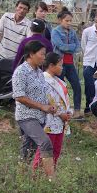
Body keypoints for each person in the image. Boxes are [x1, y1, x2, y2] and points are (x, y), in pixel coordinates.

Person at [12, 41, 56, 178]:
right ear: (31, 54)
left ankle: (20, 179)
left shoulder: (39, 73)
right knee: (45, 143)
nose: (44, 58)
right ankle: (52, 179)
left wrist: (49, 105)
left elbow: (42, 93)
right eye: (42, 54)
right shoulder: (21, 72)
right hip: (27, 116)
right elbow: (19, 96)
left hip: (40, 117)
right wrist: (42, 106)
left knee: (28, 151)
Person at [33, 52, 71, 170]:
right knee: (45, 151)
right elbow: (50, 100)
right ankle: (36, 175)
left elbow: (63, 99)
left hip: (59, 122)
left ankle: (49, 175)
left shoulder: (57, 80)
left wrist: (68, 112)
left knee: (55, 151)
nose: (62, 68)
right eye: (60, 65)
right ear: (51, 65)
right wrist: (61, 114)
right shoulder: (44, 80)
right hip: (49, 121)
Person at [51, 8, 83, 119]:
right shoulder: (55, 32)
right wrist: (71, 48)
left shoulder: (73, 32)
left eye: (70, 21)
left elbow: (78, 47)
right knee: (60, 88)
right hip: (59, 64)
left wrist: (69, 48)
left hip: (70, 63)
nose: (69, 23)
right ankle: (61, 111)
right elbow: (61, 46)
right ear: (60, 20)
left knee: (77, 86)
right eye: (67, 21)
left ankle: (77, 111)